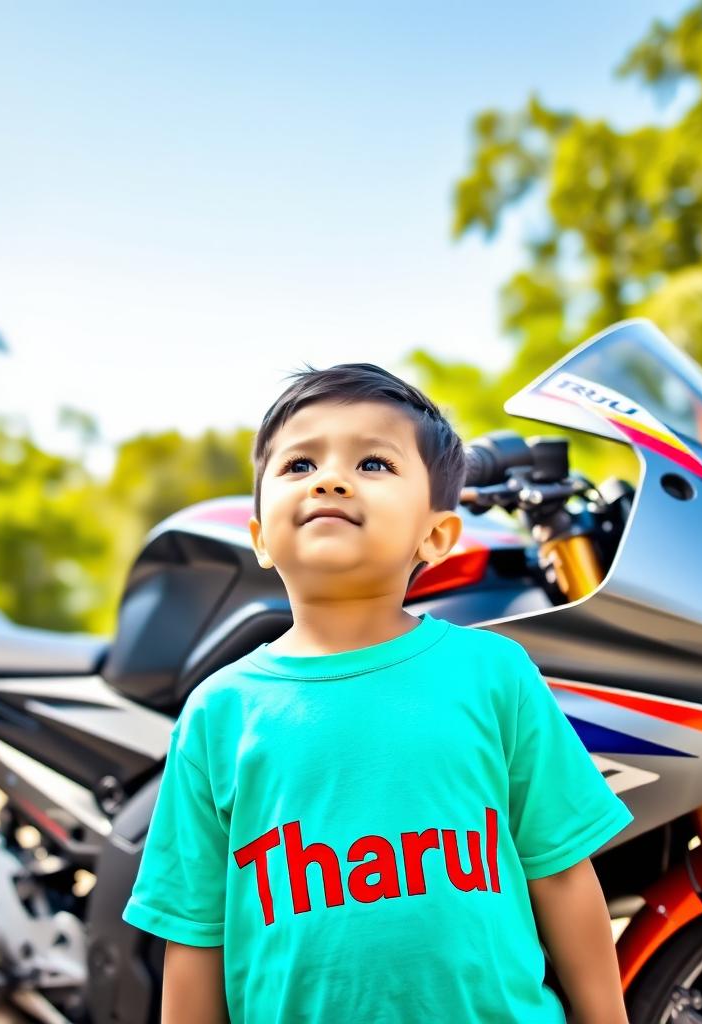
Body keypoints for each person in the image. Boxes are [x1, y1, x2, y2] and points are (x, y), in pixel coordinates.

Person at [122, 362, 634, 1023]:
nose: (330, 479)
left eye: (373, 465)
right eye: (300, 465)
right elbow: (194, 937)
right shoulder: (218, 714)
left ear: (438, 534)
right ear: (259, 540)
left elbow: (561, 874)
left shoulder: (495, 674)